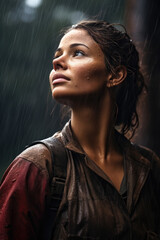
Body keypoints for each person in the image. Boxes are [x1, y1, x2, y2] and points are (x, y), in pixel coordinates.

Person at [0, 20, 160, 240]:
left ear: (115, 75)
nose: (57, 62)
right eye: (58, 54)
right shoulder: (36, 166)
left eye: (77, 53)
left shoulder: (148, 168)